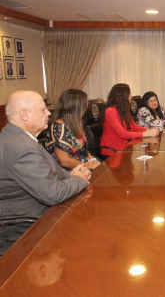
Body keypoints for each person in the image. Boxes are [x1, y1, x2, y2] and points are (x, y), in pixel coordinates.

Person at [0, 90, 91, 256]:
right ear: (25, 114)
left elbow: (46, 172)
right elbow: (51, 194)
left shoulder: (17, 138)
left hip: (38, 214)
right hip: (29, 227)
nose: (49, 112)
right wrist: (79, 179)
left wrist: (70, 175)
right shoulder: (22, 148)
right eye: (42, 109)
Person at [45, 89, 100, 170]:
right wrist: (89, 166)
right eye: (84, 106)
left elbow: (84, 149)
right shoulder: (59, 127)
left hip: (82, 166)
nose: (85, 109)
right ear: (77, 108)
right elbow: (65, 161)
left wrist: (91, 159)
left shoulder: (76, 122)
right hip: (68, 172)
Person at [100, 83, 158, 156]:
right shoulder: (110, 111)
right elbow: (123, 134)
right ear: (122, 97)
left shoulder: (122, 109)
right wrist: (147, 134)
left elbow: (134, 127)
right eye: (129, 94)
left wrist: (148, 130)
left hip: (124, 148)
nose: (131, 96)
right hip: (113, 151)